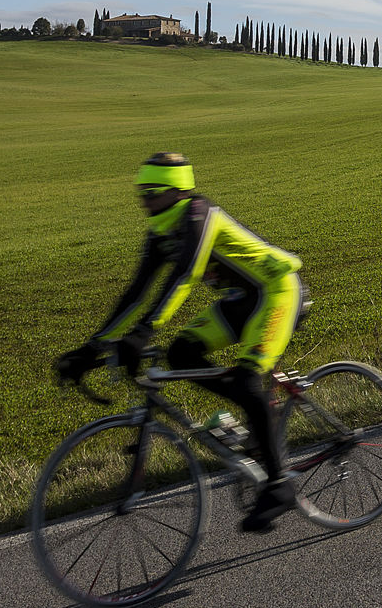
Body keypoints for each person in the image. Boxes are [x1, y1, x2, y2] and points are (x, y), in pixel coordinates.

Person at [54, 153, 310, 533]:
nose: (144, 201)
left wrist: (144, 332)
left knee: (246, 380)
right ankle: (256, 418)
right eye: (141, 193)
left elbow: (185, 276)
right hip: (240, 302)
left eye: (152, 192)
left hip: (276, 292)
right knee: (181, 353)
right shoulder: (162, 230)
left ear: (177, 191)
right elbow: (136, 294)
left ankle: (279, 485)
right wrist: (92, 348)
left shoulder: (198, 215)